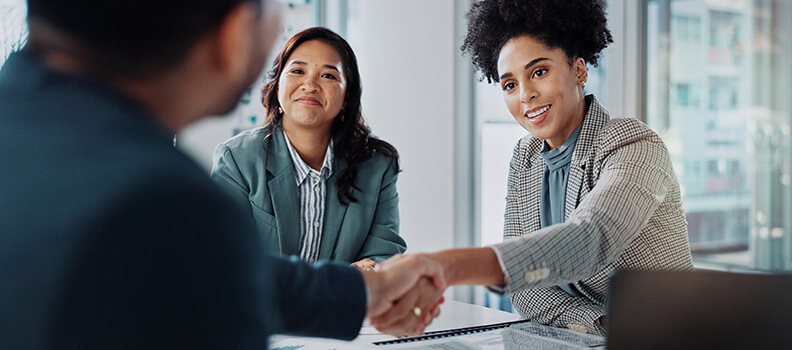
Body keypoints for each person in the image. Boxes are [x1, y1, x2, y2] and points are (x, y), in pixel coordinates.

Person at [0, 0, 443, 347]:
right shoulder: (166, 200)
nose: (310, 83)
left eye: (328, 75)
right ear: (235, 33)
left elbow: (238, 276)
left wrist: (365, 291)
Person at [379, 0, 693, 336]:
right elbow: (527, 292)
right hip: (593, 338)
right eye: (510, 84)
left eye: (539, 72)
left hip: (675, 336)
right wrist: (600, 323)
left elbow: (591, 239)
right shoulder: (525, 158)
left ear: (579, 70)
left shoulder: (632, 143)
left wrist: (444, 266)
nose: (525, 94)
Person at [212, 27, 405, 270]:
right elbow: (227, 258)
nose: (310, 85)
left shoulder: (377, 164)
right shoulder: (237, 159)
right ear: (277, 85)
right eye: (297, 71)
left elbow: (384, 257)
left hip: (345, 307)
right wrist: (335, 281)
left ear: (347, 97)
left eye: (328, 76)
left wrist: (368, 274)